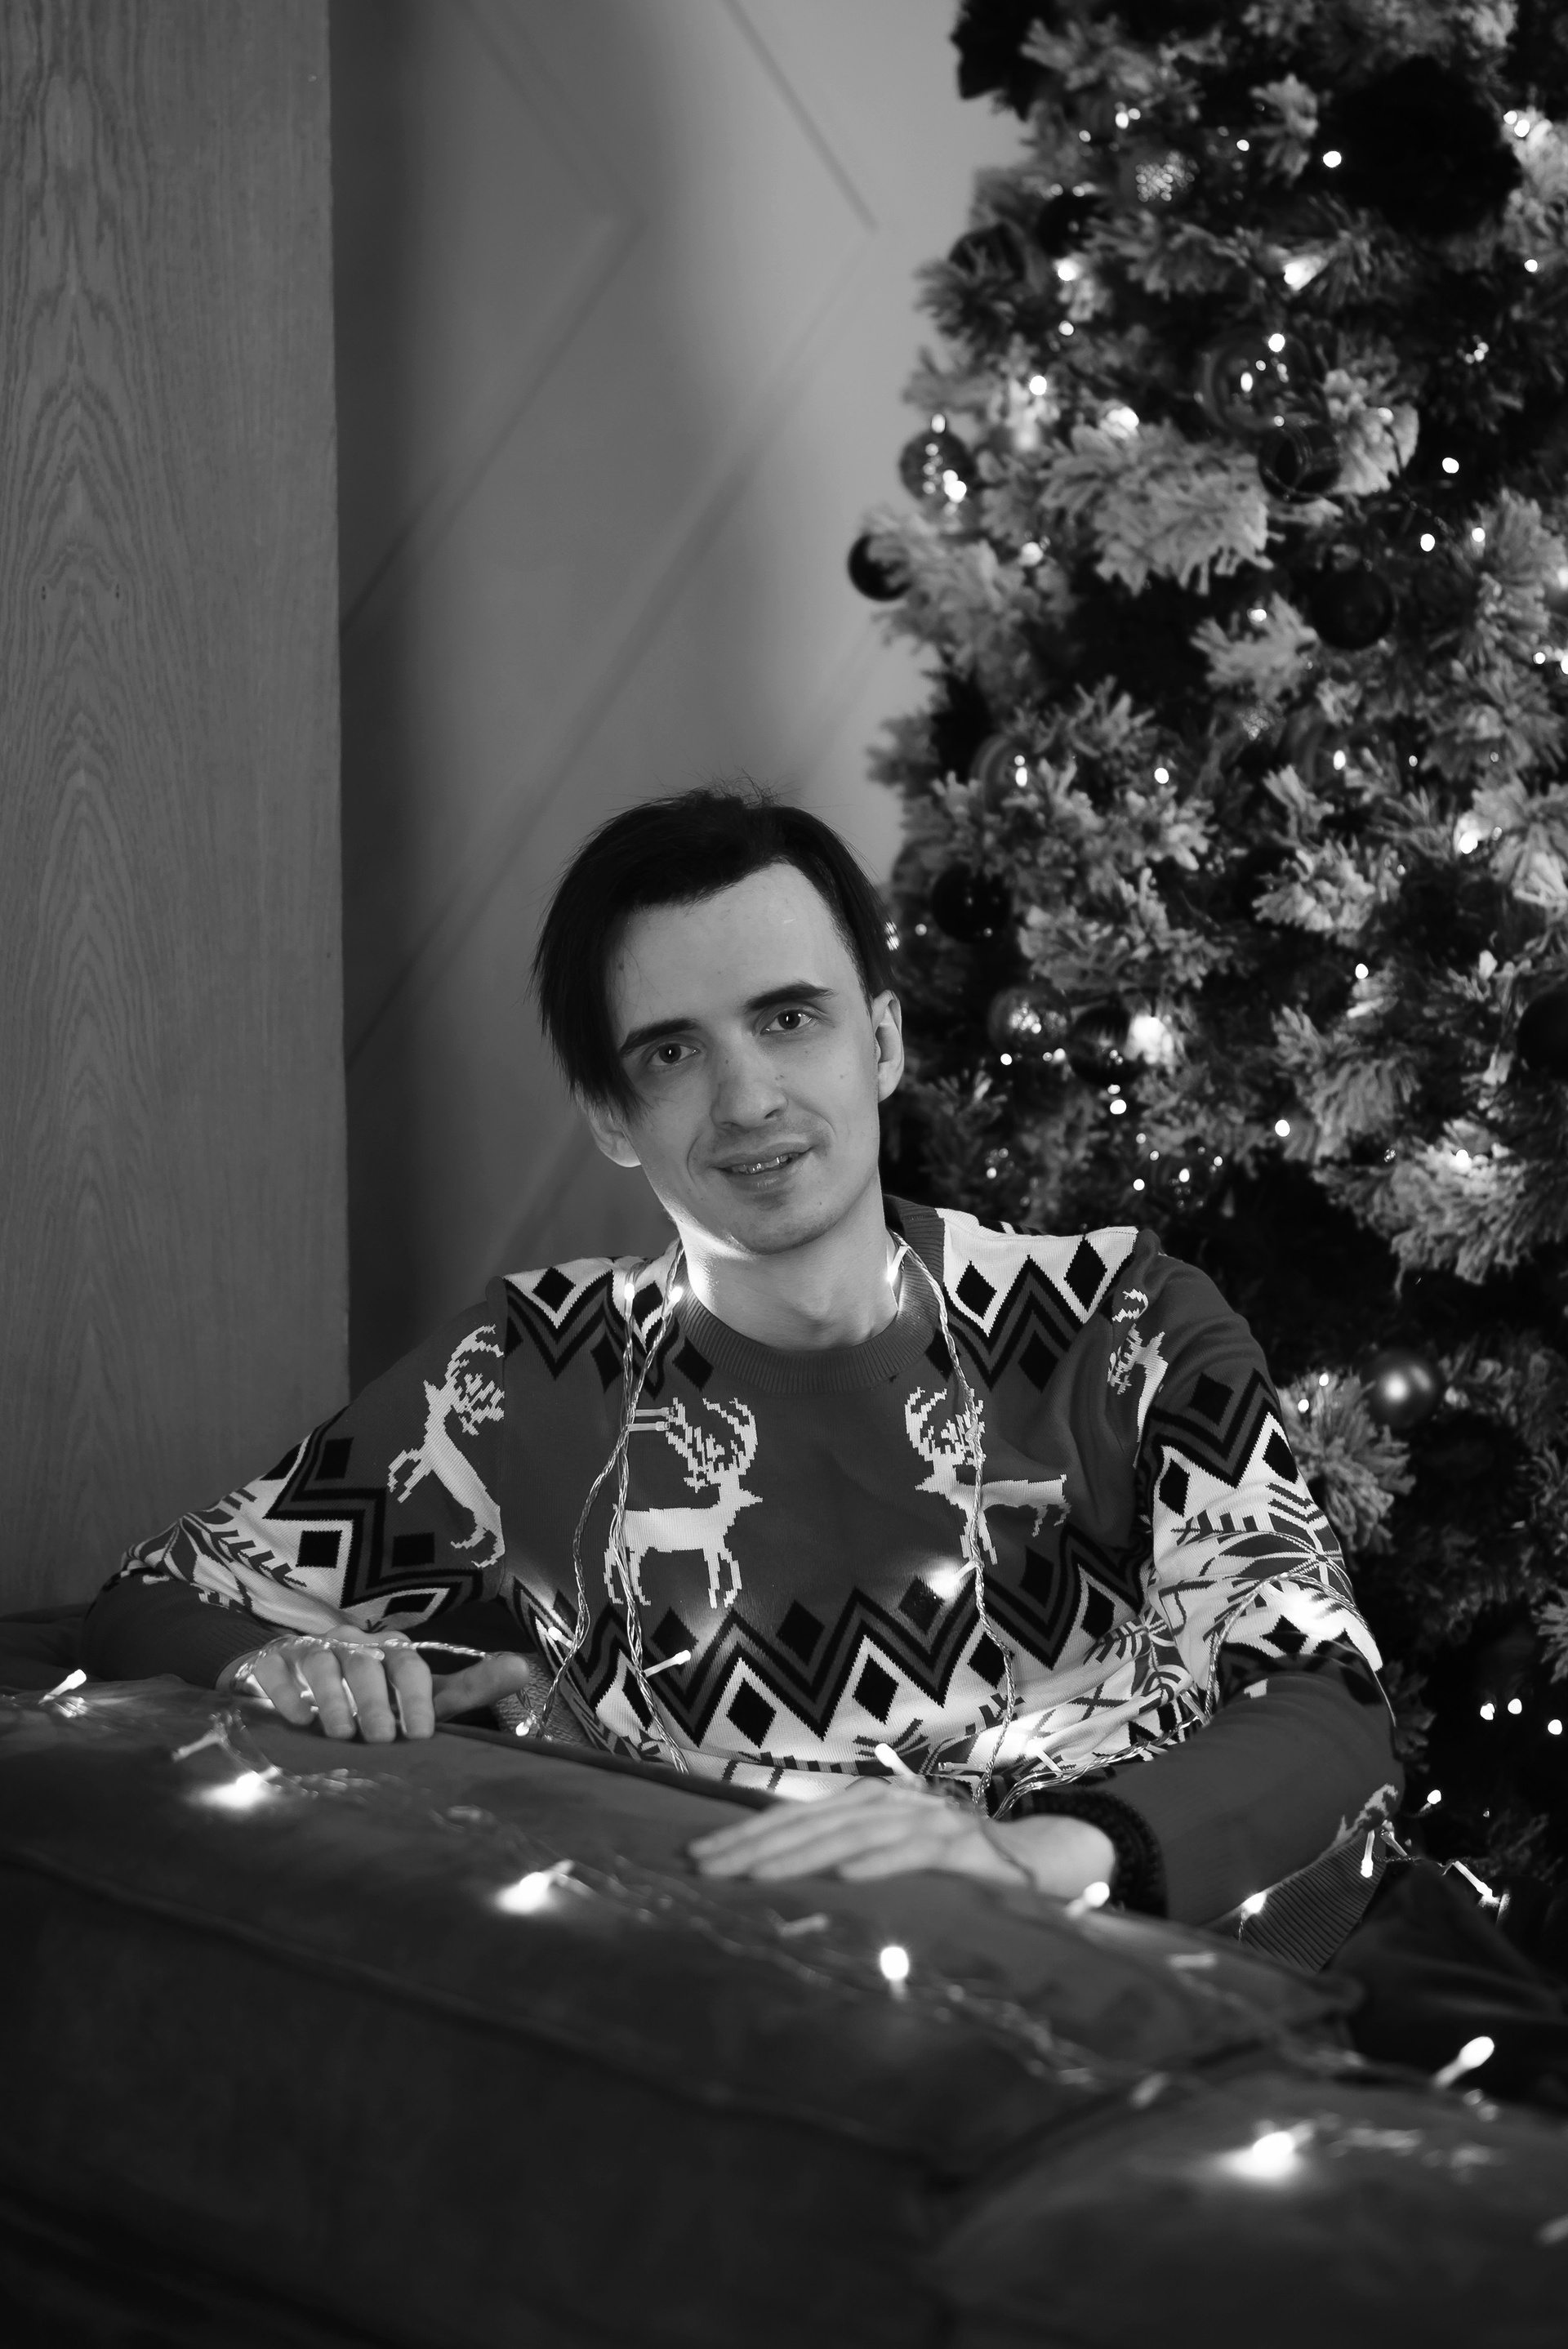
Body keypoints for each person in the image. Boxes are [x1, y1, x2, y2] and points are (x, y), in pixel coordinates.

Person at [83, 787, 1399, 1935]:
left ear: (882, 1040)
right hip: (798, 2012)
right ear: (611, 1116)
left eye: (789, 1019)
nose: (748, 1099)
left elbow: (1327, 1701)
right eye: (672, 1052)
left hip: (1199, 1959)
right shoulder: (524, 1372)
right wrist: (278, 1666)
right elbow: (155, 1596)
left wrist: (1032, 1860)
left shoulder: (1124, 1318)